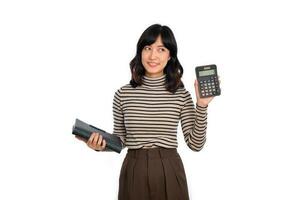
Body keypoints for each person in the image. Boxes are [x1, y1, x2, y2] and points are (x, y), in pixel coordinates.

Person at [75, 24, 216, 200]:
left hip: (170, 168)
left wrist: (201, 105)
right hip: (134, 170)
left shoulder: (181, 94)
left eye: (161, 49)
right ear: (140, 52)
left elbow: (196, 144)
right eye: (147, 48)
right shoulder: (123, 94)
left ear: (170, 55)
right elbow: (120, 140)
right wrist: (100, 146)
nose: (152, 56)